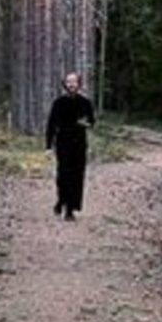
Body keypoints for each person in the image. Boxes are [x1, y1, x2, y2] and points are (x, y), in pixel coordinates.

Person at [45, 71, 95, 220]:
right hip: (63, 143)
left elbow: (92, 121)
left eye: (74, 82)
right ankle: (61, 200)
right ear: (65, 84)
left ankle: (70, 209)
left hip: (79, 144)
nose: (71, 84)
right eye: (68, 82)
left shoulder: (85, 102)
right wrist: (48, 146)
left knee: (77, 176)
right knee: (63, 176)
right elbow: (51, 125)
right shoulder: (59, 103)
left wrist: (86, 123)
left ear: (79, 84)